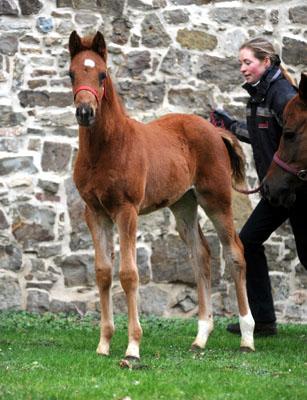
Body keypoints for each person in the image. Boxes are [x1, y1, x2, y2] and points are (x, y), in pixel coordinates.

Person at [212, 37, 307, 336]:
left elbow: (293, 138)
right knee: (248, 242)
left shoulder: (283, 95)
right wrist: (229, 128)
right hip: (277, 190)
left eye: (247, 62)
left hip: (297, 190)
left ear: (266, 62)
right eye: (241, 63)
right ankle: (264, 320)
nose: (242, 69)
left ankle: (264, 320)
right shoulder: (258, 96)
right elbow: (262, 136)